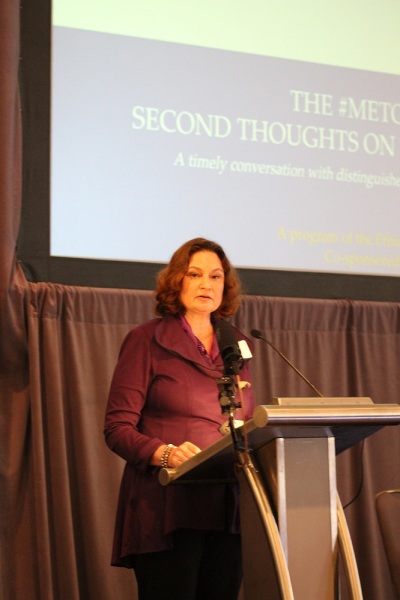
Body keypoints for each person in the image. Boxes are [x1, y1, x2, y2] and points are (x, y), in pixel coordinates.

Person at [104, 237, 254, 600]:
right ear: (177, 281)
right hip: (167, 505)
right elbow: (117, 428)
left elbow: (244, 421)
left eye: (216, 277)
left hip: (227, 507)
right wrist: (165, 454)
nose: (207, 284)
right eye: (195, 274)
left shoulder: (236, 345)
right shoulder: (147, 340)